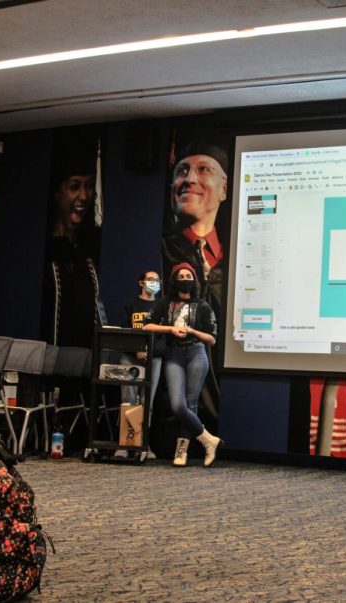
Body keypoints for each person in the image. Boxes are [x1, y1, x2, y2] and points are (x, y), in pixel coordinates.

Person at [143, 263, 222, 467]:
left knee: (191, 404)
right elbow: (147, 325)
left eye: (188, 276)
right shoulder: (165, 302)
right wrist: (170, 329)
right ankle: (208, 440)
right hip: (173, 354)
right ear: (174, 280)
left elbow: (212, 339)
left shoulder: (203, 305)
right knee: (178, 405)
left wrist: (192, 331)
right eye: (181, 275)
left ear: (194, 280)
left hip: (196, 353)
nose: (185, 278)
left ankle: (182, 451)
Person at [41, 146, 103, 348]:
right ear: (58, 193)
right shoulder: (45, 256)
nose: (84, 196)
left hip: (82, 359)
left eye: (90, 186)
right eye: (75, 186)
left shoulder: (89, 258)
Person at [161, 141, 229, 321]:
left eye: (204, 169)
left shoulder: (233, 255)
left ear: (224, 189)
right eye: (182, 171)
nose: (190, 179)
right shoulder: (160, 250)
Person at [118, 269, 164, 459]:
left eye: (157, 280)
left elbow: (164, 337)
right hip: (131, 358)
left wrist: (151, 352)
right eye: (150, 279)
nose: (154, 282)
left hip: (154, 359)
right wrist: (136, 351)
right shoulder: (131, 304)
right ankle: (125, 444)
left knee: (148, 404)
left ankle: (144, 445)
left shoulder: (162, 306)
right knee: (128, 401)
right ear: (141, 283)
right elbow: (124, 333)